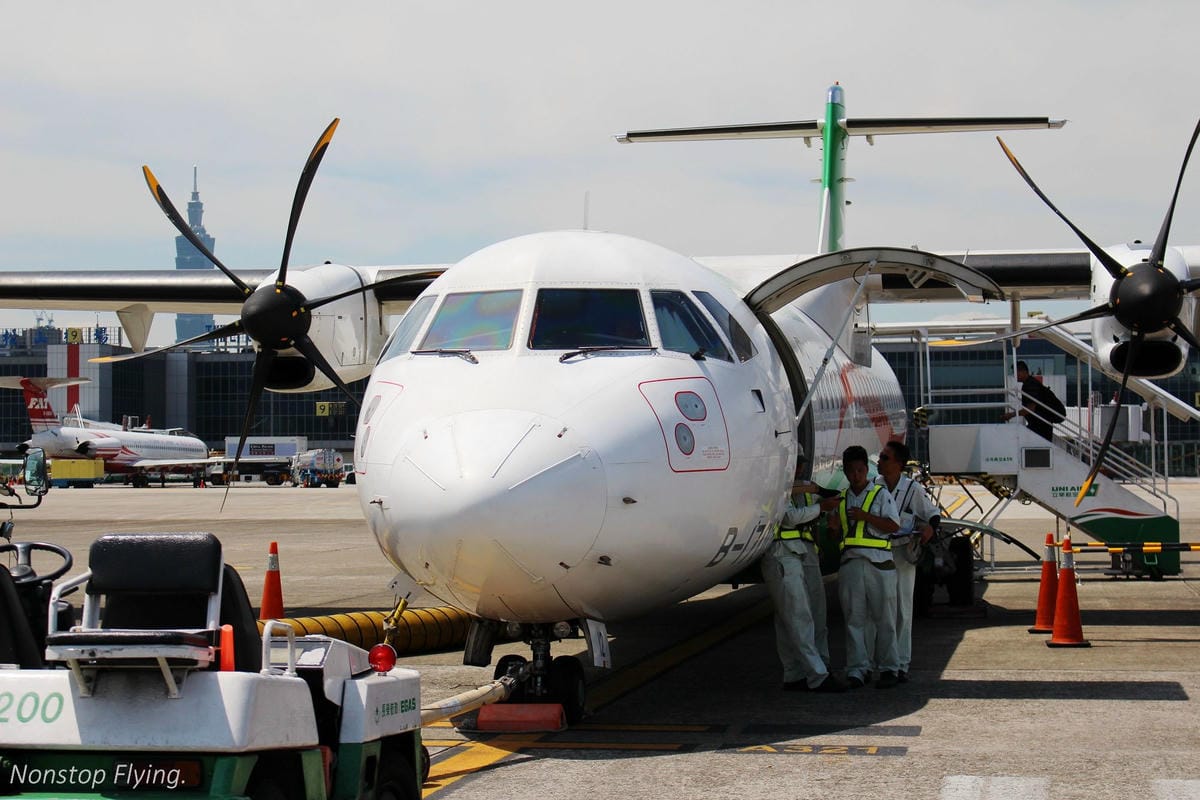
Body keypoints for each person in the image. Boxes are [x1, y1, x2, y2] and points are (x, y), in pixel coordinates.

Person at [761, 470, 844, 692]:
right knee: (798, 617)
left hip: (798, 552)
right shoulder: (775, 486)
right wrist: (821, 507)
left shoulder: (803, 489)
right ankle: (818, 676)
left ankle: (795, 674)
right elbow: (788, 518)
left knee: (799, 616)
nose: (799, 469)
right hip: (781, 554)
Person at [829, 445, 901, 689]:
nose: (856, 475)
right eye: (851, 471)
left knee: (885, 619)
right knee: (854, 620)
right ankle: (858, 668)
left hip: (879, 563)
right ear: (846, 472)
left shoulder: (881, 495)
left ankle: (890, 668)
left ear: (866, 470)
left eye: (860, 470)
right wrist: (833, 529)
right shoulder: (842, 500)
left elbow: (894, 526)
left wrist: (865, 516)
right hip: (851, 563)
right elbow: (836, 536)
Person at [874, 440, 940, 683]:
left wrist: (928, 530)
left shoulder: (912, 489)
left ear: (899, 464)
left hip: (903, 555)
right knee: (883, 610)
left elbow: (932, 514)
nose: (879, 461)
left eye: (884, 458)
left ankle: (901, 663)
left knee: (902, 609)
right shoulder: (875, 486)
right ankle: (886, 663)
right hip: (880, 553)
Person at [1001, 360, 1063, 441]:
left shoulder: (1030, 385)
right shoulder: (1030, 383)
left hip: (1041, 425)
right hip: (1041, 423)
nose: (1015, 376)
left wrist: (1011, 415)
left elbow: (1030, 408)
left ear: (1023, 371)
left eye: (1016, 373)